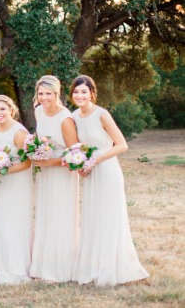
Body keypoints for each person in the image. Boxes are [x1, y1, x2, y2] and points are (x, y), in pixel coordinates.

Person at [70, 75, 149, 286]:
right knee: (92, 217)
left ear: (92, 94)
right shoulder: (74, 116)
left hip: (107, 170)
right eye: (76, 92)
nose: (79, 95)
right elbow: (78, 147)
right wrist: (81, 165)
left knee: (108, 217)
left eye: (84, 91)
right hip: (90, 171)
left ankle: (112, 267)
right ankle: (92, 266)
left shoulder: (101, 114)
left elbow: (122, 145)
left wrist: (95, 159)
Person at [29, 75, 80, 283]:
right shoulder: (38, 111)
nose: (43, 98)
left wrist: (49, 162)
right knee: (45, 214)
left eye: (48, 94)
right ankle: (43, 265)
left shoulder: (65, 118)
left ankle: (61, 269)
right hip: (45, 174)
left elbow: (74, 155)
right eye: (41, 93)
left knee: (60, 215)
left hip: (61, 174)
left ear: (57, 94)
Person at [0, 95, 34, 284]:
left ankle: (16, 267)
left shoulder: (18, 132)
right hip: (1, 183)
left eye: (2, 109)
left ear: (11, 110)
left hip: (16, 182)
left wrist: (4, 171)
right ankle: (1, 265)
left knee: (13, 223)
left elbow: (27, 163)